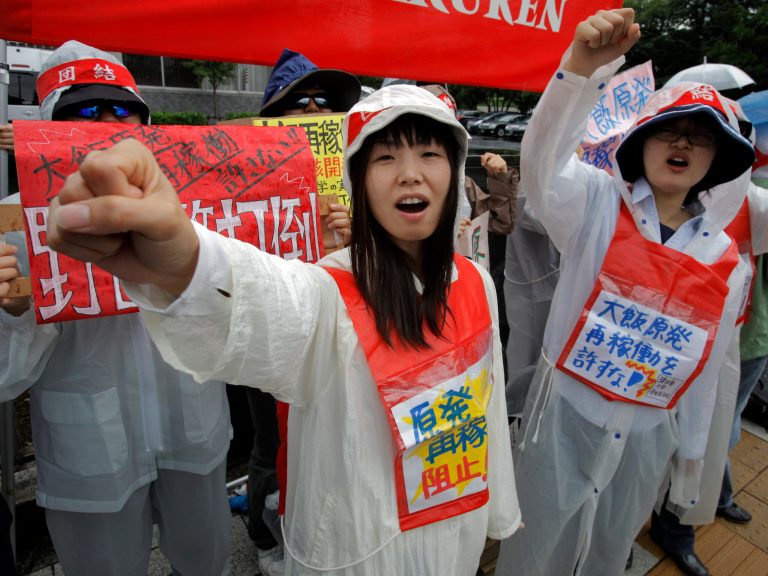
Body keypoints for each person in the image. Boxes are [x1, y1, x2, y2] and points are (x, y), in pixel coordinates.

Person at [45, 83, 521, 575]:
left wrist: (497, 510)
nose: (409, 175)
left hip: (455, 542)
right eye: (384, 159)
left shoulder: (475, 283)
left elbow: (488, 410)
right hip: (357, 556)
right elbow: (261, 299)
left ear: (454, 168)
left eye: (429, 154)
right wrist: (183, 260)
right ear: (358, 179)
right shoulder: (328, 293)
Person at [495, 8, 756, 576]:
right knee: (534, 547)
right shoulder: (592, 203)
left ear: (717, 161)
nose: (683, 142)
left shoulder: (722, 261)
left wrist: (690, 463)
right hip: (561, 421)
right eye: (670, 128)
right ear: (641, 140)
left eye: (702, 138)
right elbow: (541, 168)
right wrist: (577, 73)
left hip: (644, 439)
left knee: (610, 552)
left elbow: (707, 371)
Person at [0, 41, 232, 576]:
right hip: (89, 449)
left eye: (121, 109)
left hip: (192, 427)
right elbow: (7, 377)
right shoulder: (15, 222)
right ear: (46, 121)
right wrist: (18, 315)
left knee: (209, 562)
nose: (105, 123)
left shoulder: (193, 204)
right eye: (83, 110)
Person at [244, 47, 360, 576]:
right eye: (301, 103)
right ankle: (265, 536)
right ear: (270, 121)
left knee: (332, 435)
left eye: (325, 103)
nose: (316, 112)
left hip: (338, 334)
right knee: (272, 442)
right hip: (271, 335)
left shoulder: (358, 174)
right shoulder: (246, 180)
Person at [648, 112, 768, 576]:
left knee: (705, 438)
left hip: (725, 341)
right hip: (657, 344)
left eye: (709, 139)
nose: (691, 148)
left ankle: (677, 527)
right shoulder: (648, 196)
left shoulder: (751, 202)